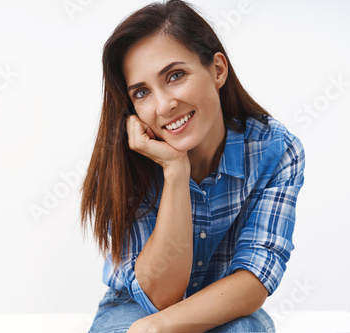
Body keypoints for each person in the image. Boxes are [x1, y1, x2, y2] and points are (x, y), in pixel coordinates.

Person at [79, 0, 305, 332]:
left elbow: (254, 279)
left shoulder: (275, 150)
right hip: (134, 304)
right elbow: (159, 298)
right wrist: (174, 170)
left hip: (225, 301)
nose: (164, 105)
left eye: (175, 75)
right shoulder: (120, 163)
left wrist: (155, 329)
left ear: (217, 70)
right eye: (142, 92)